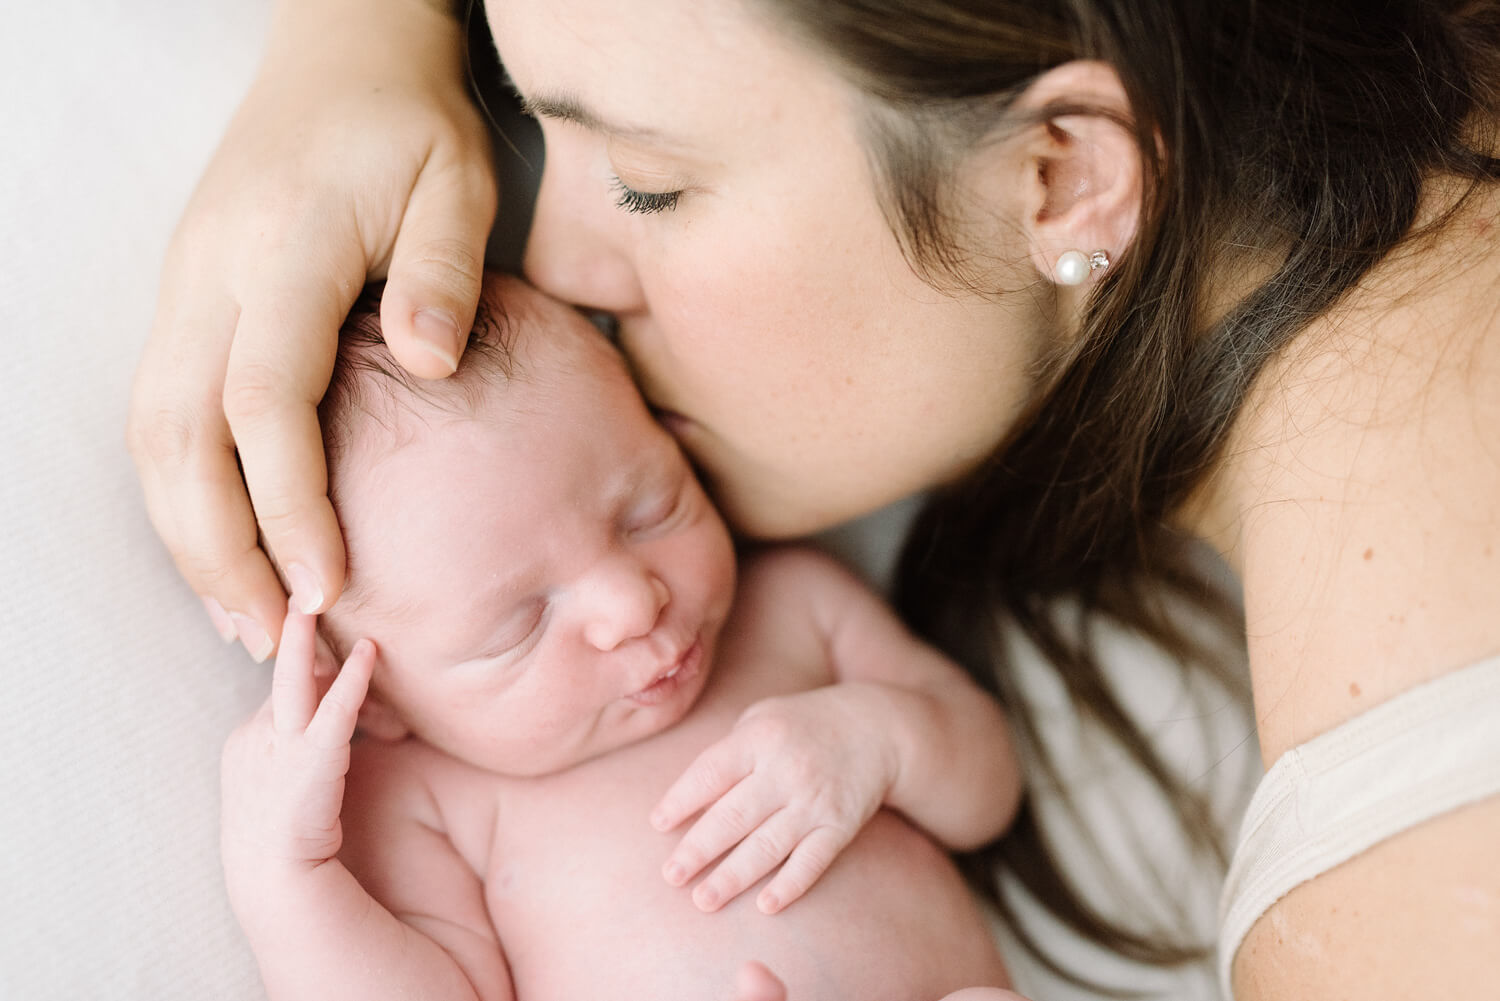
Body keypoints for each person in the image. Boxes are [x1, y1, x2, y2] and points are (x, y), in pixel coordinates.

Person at [129, 0, 1500, 997]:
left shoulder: (1406, 910)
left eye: (649, 186)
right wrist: (354, 55)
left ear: (1062, 174)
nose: (553, 265)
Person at [219, 273, 1026, 1001]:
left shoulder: (792, 605)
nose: (632, 604)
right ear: (375, 698)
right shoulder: (429, 796)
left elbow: (989, 791)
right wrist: (285, 884)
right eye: (523, 622)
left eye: (650, 510)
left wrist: (878, 738)